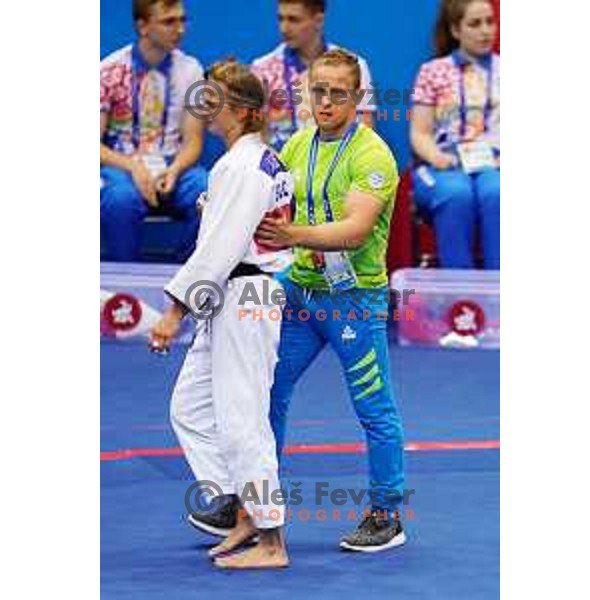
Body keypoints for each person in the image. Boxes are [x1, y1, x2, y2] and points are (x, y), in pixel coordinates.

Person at [255, 49, 406, 553]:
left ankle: (386, 515)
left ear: (358, 98)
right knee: (266, 390)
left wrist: (290, 234)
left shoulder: (374, 156)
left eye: (338, 93)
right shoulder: (296, 144)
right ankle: (256, 504)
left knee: (373, 406)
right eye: (317, 91)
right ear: (305, 92)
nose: (325, 102)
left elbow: (356, 230)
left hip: (354, 301)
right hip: (301, 295)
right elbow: (259, 194)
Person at [149, 60, 293, 569]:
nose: (206, 110)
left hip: (246, 295)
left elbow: (218, 251)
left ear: (243, 112)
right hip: (233, 297)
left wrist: (173, 314)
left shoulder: (241, 166)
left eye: (216, 101)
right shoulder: (253, 162)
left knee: (242, 417)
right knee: (189, 408)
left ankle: (272, 540)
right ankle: (243, 508)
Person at [101, 0, 208, 262]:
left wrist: (174, 170)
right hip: (122, 167)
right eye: (169, 22)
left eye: (183, 20)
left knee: (210, 193)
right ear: (143, 26)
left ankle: (184, 280)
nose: (180, 29)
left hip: (173, 163)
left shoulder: (192, 70)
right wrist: (134, 168)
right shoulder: (109, 70)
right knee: (120, 200)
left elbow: (193, 141)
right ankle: (125, 289)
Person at [410, 0, 500, 270]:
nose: (486, 30)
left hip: (495, 165)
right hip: (443, 166)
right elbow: (419, 133)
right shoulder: (432, 72)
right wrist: (437, 158)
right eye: (475, 23)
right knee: (455, 193)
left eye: (490, 21)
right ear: (455, 30)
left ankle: (501, 297)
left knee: (497, 192)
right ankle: (460, 300)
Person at [252, 0, 376, 151]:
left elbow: (365, 129)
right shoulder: (261, 69)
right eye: (281, 18)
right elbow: (255, 135)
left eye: (294, 20)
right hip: (282, 166)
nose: (284, 28)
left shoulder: (356, 66)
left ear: (319, 20)